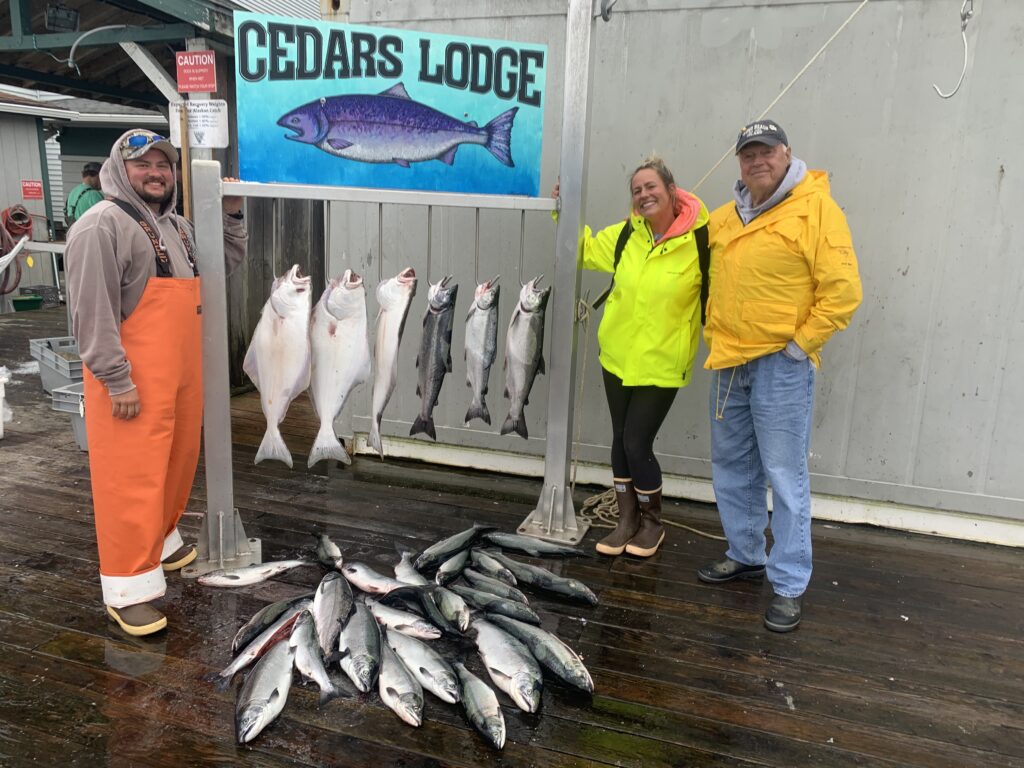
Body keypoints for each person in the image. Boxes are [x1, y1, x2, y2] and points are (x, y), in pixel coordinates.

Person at [65, 129, 248, 637]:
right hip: (129, 383)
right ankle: (128, 588)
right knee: (131, 480)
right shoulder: (100, 225)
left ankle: (162, 539)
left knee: (175, 462)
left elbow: (217, 271)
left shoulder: (180, 227)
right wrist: (115, 380)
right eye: (142, 165)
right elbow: (91, 313)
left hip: (179, 376)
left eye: (163, 165)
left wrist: (231, 215)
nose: (154, 173)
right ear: (119, 171)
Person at [698, 120, 862, 632]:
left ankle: (788, 582)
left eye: (766, 152)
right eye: (748, 155)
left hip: (780, 365)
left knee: (785, 476)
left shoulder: (817, 209)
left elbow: (842, 291)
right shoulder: (724, 217)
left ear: (787, 153)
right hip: (728, 362)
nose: (757, 162)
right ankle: (745, 553)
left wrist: (798, 348)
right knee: (732, 466)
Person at [554, 156, 710, 558]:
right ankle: (626, 519)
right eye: (637, 190)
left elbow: (718, 298)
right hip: (617, 358)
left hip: (662, 365)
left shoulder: (702, 240)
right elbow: (584, 250)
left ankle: (652, 524)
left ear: (672, 190)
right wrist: (563, 210)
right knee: (620, 440)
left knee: (638, 443)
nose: (643, 195)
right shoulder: (626, 236)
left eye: (651, 187)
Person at [65, 161, 105, 227]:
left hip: (74, 233)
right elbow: (104, 219)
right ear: (97, 176)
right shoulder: (94, 195)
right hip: (88, 234)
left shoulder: (73, 191)